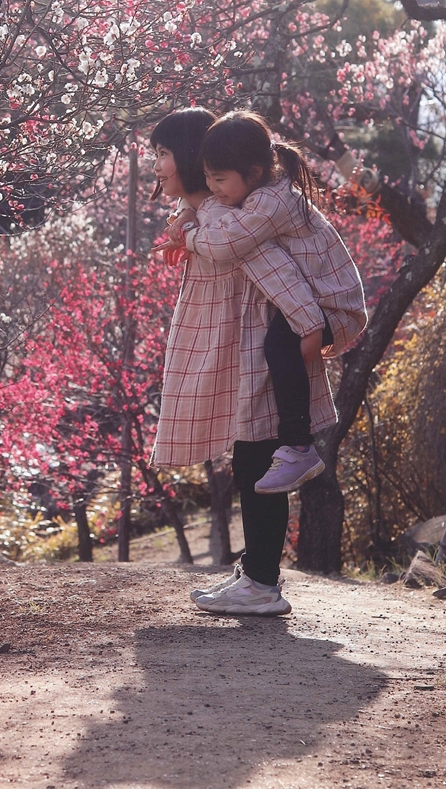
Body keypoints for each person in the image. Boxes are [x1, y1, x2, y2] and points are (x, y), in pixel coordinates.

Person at [150, 109, 339, 616]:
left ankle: (260, 583)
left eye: (164, 154)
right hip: (250, 349)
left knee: (258, 459)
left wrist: (308, 334)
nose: (158, 167)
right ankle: (256, 573)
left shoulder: (230, 221)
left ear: (190, 158)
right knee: (251, 458)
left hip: (264, 346)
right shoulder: (214, 214)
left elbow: (282, 281)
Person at [174, 110, 367, 502]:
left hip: (333, 303)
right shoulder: (260, 192)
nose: (213, 188)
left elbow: (227, 243)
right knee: (277, 347)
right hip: (317, 299)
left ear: (256, 171)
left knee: (277, 348)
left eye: (220, 178)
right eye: (208, 178)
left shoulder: (269, 203)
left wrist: (188, 232)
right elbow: (224, 218)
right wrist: (192, 208)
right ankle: (295, 446)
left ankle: (299, 447)